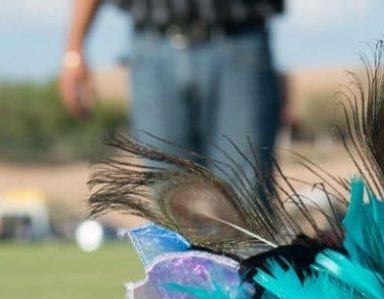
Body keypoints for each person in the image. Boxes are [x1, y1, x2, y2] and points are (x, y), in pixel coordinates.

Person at [59, 0, 283, 182]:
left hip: (241, 39)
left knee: (245, 198)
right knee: (170, 198)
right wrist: (74, 49)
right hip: (152, 46)